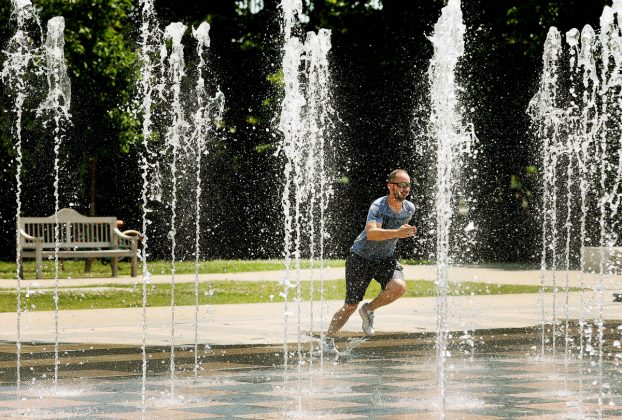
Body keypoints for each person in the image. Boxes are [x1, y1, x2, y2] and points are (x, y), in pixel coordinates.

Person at [321, 169, 416, 354]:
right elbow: (372, 233)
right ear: (390, 185)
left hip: (385, 258)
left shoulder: (409, 208)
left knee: (399, 287)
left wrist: (405, 232)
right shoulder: (378, 206)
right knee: (350, 305)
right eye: (401, 185)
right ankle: (328, 339)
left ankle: (368, 310)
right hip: (361, 257)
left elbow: (396, 233)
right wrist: (398, 233)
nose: (405, 189)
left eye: (408, 185)